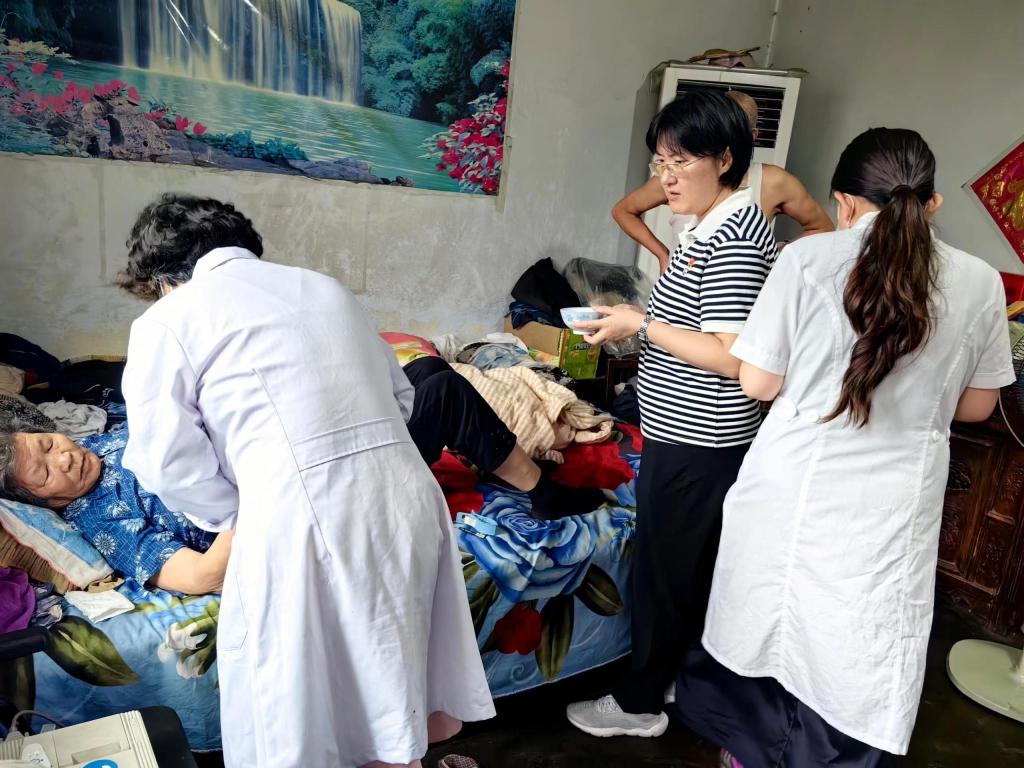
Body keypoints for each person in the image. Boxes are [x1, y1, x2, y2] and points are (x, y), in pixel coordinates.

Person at [115, 194, 494, 768]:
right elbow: (402, 397)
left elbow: (165, 461)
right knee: (391, 675)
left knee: (302, 705)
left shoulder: (167, 320)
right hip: (406, 497)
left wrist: (241, 510)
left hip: (300, 518)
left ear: (164, 277)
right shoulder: (325, 288)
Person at [674, 128, 1014, 767]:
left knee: (770, 619)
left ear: (845, 200)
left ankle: (750, 752)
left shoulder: (808, 260)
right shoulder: (979, 281)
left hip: (793, 486)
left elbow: (759, 382)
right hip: (892, 507)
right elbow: (977, 406)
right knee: (856, 642)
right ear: (932, 203)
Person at [564, 90, 777, 737]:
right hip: (683, 432)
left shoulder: (734, 237)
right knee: (683, 566)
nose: (667, 178)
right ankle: (678, 679)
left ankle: (639, 706)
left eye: (682, 162)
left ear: (725, 159)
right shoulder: (707, 226)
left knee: (666, 574)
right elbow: (696, 328)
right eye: (661, 163)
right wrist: (635, 323)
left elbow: (732, 356)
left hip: (700, 439)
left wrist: (641, 325)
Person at [613, 90, 832, 273]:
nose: (668, 177)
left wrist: (778, 254)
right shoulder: (674, 176)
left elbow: (822, 228)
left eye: (680, 161)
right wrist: (663, 255)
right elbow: (623, 210)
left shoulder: (773, 184)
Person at [386, 338, 605, 518]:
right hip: (374, 469)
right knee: (448, 391)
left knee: (429, 367)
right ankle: (545, 495)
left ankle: (493, 464)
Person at [0, 427, 231, 594]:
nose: (64, 459)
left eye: (49, 444)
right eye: (45, 474)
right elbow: (201, 577)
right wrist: (250, 492)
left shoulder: (92, 445)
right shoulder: (100, 523)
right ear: (44, 502)